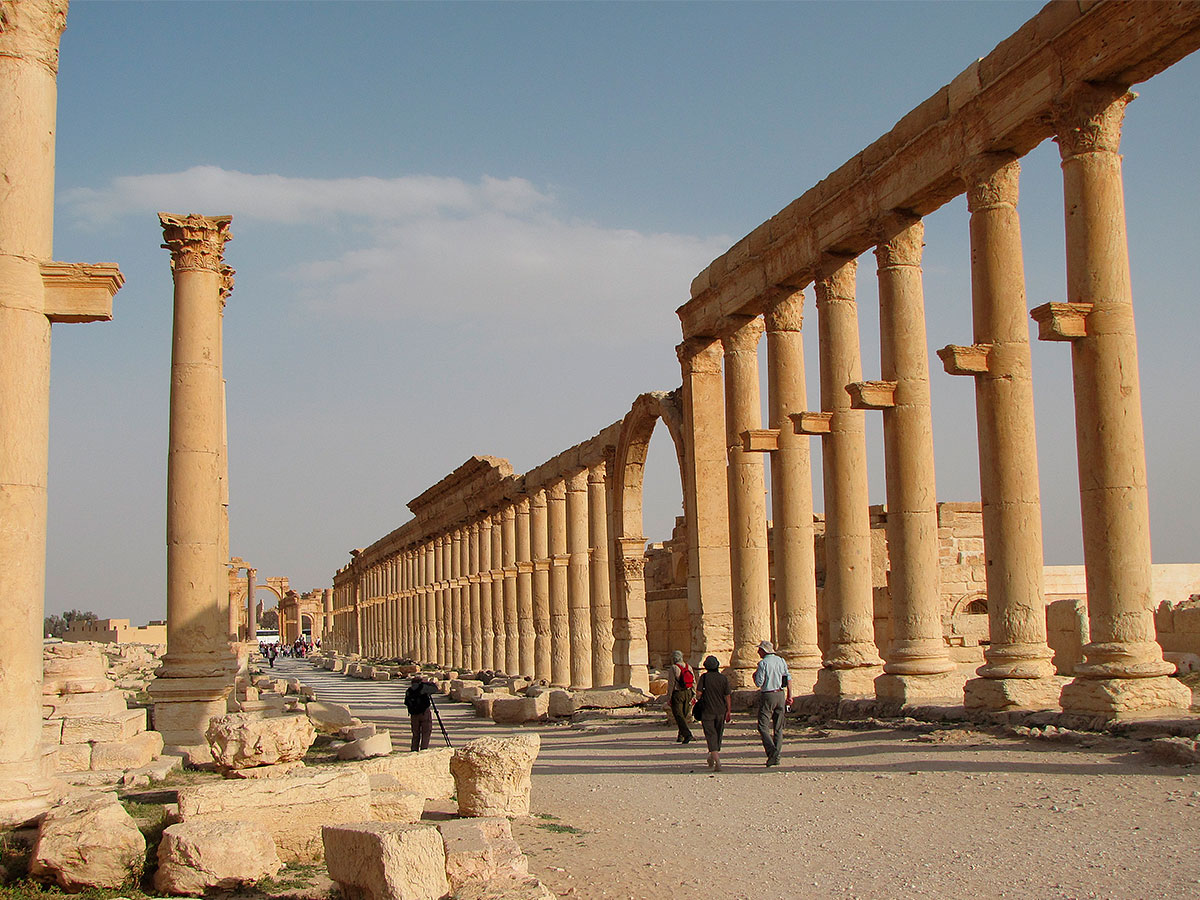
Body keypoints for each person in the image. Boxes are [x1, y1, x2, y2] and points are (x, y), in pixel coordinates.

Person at [753, 639, 791, 766]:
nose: (758, 652)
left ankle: (772, 752)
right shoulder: (781, 661)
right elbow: (788, 679)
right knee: (778, 727)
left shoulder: (763, 663)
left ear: (764, 651)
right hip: (780, 694)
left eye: (759, 650)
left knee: (762, 726)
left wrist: (754, 676)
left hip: (768, 695)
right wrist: (790, 696)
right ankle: (777, 755)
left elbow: (759, 682)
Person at [695, 655, 732, 771]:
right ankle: (712, 756)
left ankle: (717, 761)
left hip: (707, 710)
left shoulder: (704, 677)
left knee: (710, 735)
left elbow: (698, 694)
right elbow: (727, 696)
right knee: (718, 734)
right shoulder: (723, 678)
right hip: (721, 710)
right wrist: (728, 710)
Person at [666, 650, 695, 744]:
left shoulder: (673, 668)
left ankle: (687, 734)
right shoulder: (688, 666)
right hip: (688, 692)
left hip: (678, 694)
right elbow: (693, 681)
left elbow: (671, 684)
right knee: (683, 715)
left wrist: (669, 697)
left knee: (679, 715)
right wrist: (693, 694)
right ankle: (681, 736)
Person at [405, 675, 439, 751]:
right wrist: (429, 683)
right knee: (426, 733)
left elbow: (406, 702)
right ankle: (424, 749)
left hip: (413, 714)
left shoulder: (409, 691)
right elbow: (435, 689)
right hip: (424, 713)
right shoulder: (423, 687)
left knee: (415, 734)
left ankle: (414, 750)